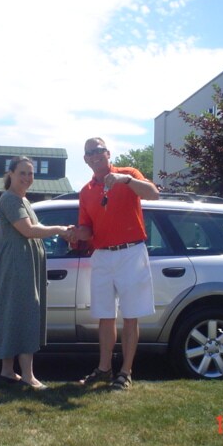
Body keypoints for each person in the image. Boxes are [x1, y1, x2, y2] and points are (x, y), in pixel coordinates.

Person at [71, 137, 159, 390]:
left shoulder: (128, 174)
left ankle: (125, 372)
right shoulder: (86, 191)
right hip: (101, 255)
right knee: (105, 316)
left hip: (131, 252)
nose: (95, 155)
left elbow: (153, 194)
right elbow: (87, 229)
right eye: (90, 152)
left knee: (130, 316)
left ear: (108, 153)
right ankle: (104, 368)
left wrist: (126, 180)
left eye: (99, 150)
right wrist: (75, 233)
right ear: (85, 159)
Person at [0, 156, 72, 390]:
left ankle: (7, 371)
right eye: (22, 173)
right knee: (25, 314)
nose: (27, 177)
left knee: (13, 314)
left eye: (30, 173)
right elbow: (28, 230)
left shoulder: (23, 200)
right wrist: (60, 229)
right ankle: (27, 375)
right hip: (15, 267)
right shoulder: (10, 199)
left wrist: (63, 230)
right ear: (11, 174)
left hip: (23, 265)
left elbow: (33, 229)